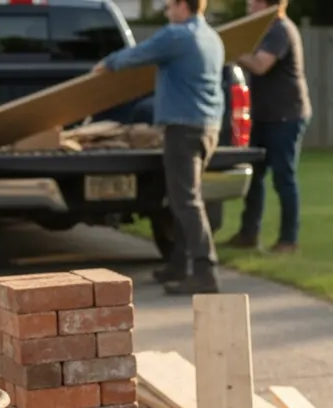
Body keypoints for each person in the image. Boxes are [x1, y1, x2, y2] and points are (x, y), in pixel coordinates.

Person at [93, 0, 225, 295]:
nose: (166, 11)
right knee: (181, 198)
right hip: (208, 127)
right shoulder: (212, 37)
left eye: (168, 6)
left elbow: (138, 55)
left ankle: (206, 271)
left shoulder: (176, 35)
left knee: (187, 201)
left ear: (182, 6)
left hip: (183, 128)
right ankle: (178, 265)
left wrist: (106, 64)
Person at [228, 0, 311, 253]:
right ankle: (249, 234)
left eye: (253, 2)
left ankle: (289, 239)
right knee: (255, 177)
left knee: (284, 178)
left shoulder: (279, 29)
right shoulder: (266, 30)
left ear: (267, 5)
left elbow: (261, 65)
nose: (248, 6)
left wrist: (231, 50)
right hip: (264, 115)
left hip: (285, 116)